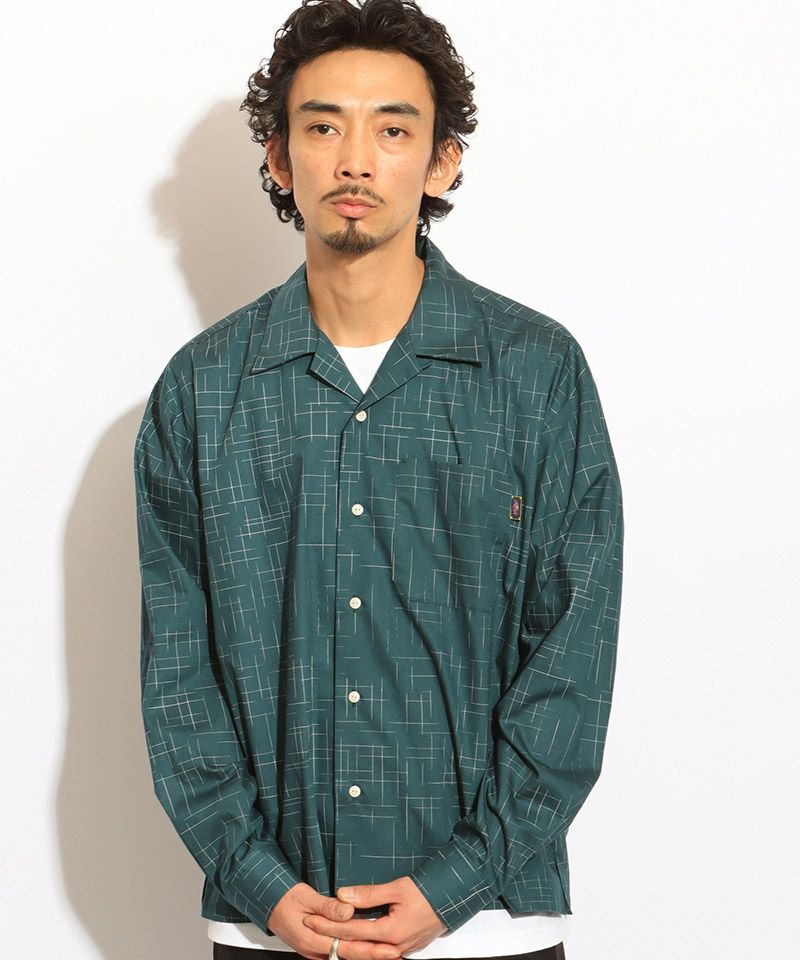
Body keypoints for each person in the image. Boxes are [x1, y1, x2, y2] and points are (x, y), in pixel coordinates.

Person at [133, 2, 624, 959]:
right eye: (323, 127)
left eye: (393, 130)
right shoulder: (200, 391)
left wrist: (458, 882)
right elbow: (177, 679)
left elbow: (574, 659)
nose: (356, 160)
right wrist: (263, 884)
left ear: (441, 161)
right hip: (271, 929)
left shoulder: (537, 373)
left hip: (487, 929)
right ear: (279, 158)